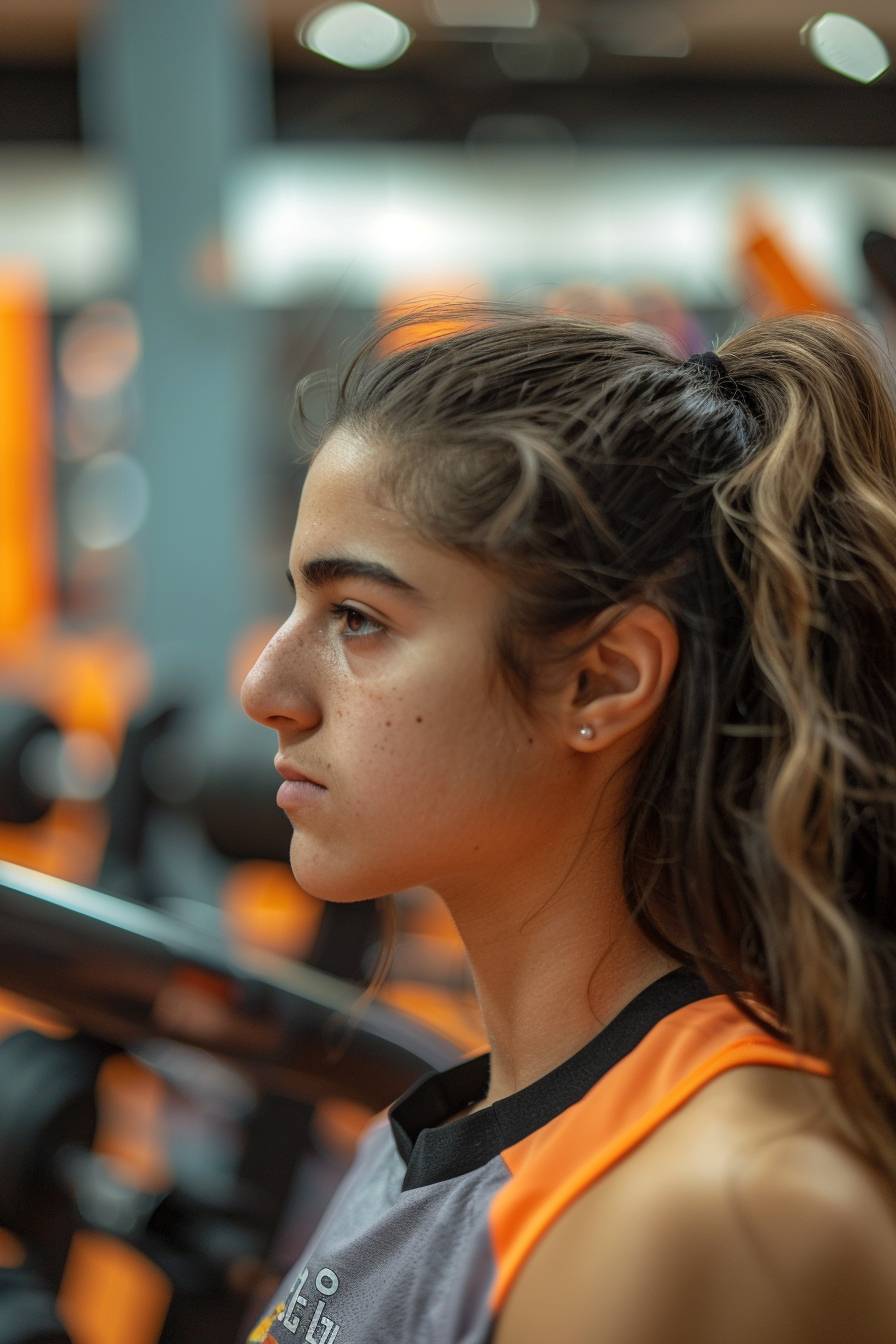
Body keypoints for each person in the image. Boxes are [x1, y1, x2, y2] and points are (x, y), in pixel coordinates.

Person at [239, 300, 896, 1344]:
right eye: (295, 605)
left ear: (601, 680)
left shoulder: (721, 1211)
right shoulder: (438, 1134)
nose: (266, 687)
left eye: (356, 619)